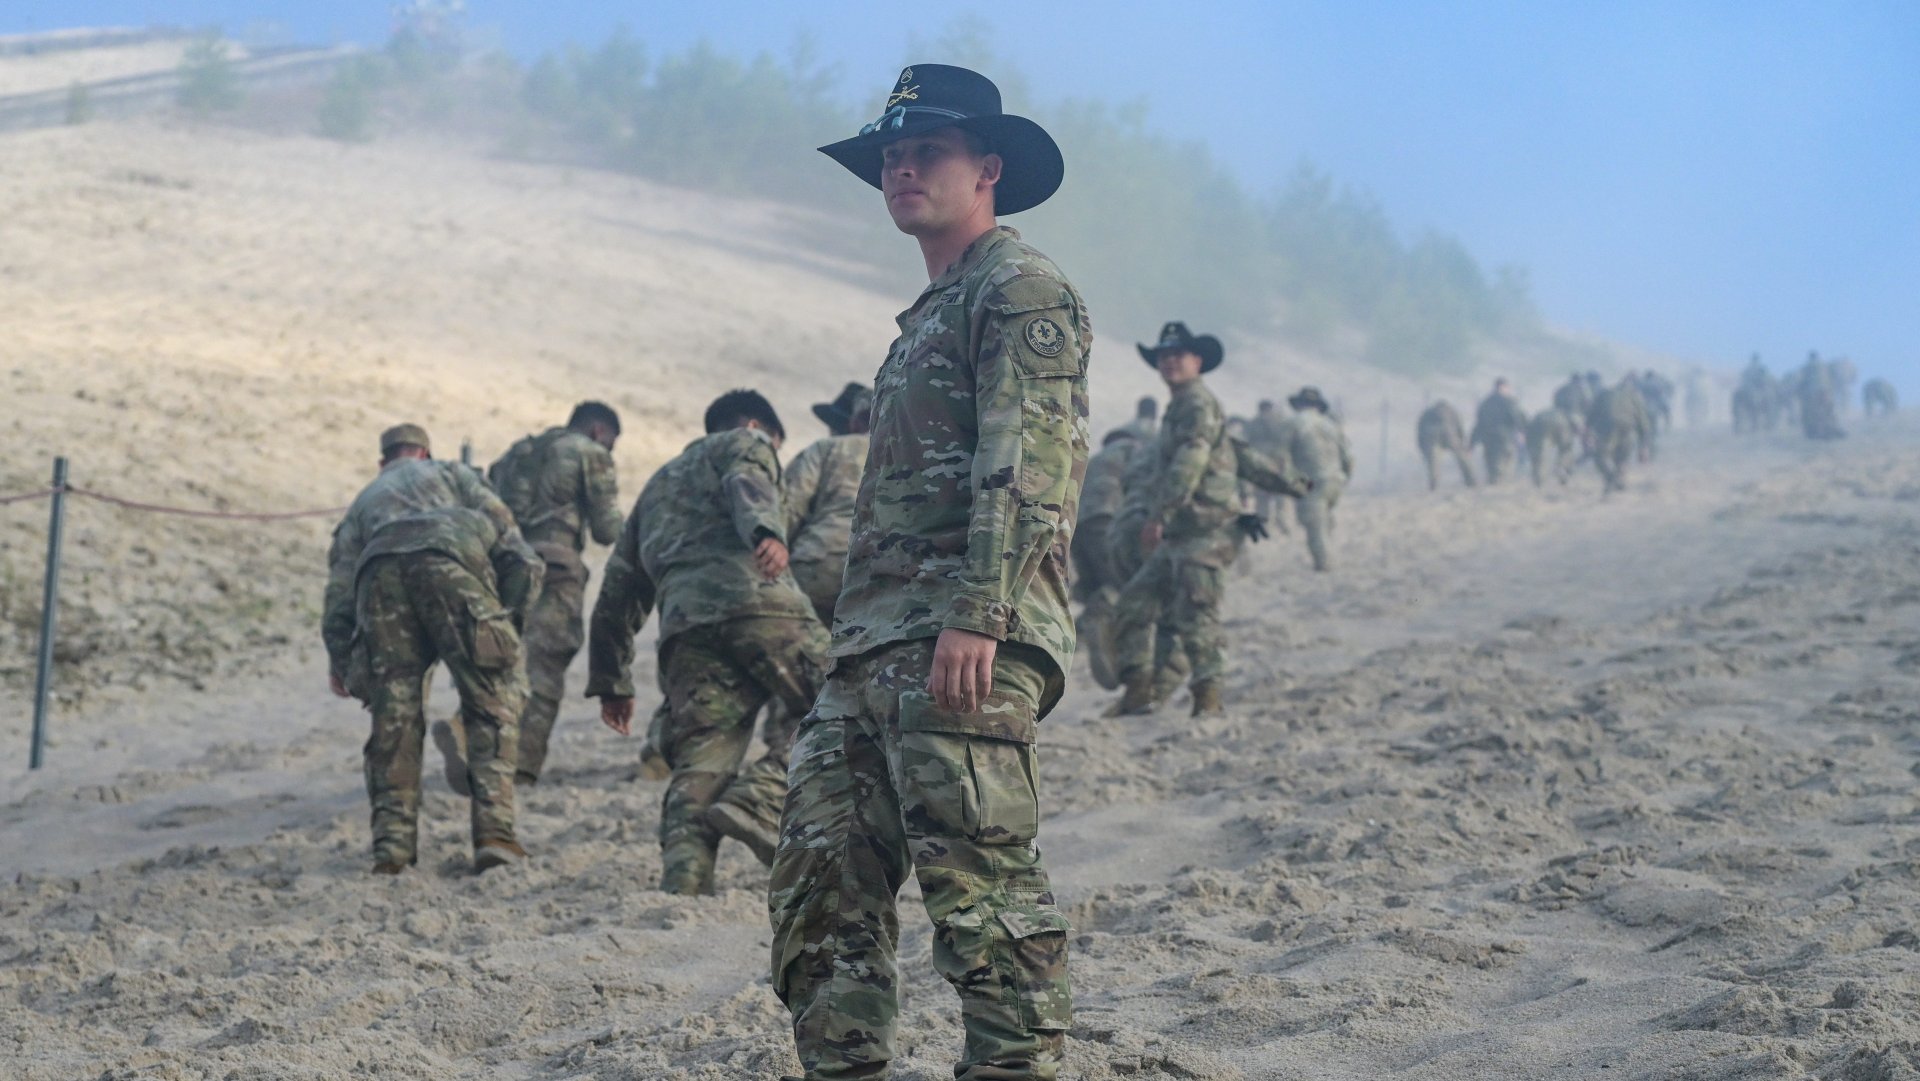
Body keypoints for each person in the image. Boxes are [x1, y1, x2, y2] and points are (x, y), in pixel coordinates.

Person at [771, 64, 1086, 1081]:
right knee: (820, 888)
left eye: (927, 152)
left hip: (961, 640)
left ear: (988, 168)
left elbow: (1030, 464)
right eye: (890, 156)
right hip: (870, 649)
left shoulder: (1018, 288)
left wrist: (980, 614)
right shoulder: (927, 315)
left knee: (979, 888)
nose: (901, 170)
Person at [584, 389, 828, 893]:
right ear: (762, 428)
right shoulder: (747, 441)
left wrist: (612, 678)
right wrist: (766, 529)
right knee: (855, 702)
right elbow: (748, 475)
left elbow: (617, 588)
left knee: (703, 756)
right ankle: (760, 796)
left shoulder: (656, 489)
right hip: (759, 604)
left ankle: (686, 882)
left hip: (685, 628)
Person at [322, 424, 543, 875]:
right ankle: (495, 836)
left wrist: (343, 661)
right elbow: (519, 554)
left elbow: (339, 595)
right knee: (491, 702)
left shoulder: (364, 499)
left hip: (380, 574)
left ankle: (392, 850)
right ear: (424, 452)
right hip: (452, 559)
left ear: (384, 461)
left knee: (395, 720)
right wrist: (507, 626)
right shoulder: (454, 474)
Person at [433, 402, 622, 794]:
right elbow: (606, 529)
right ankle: (518, 770)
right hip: (555, 566)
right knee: (545, 667)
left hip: (504, 568)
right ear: (600, 431)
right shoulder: (590, 452)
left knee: (504, 657)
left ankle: (465, 726)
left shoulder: (515, 455)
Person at [783, 382, 874, 624]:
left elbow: (787, 510)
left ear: (854, 422)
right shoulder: (917, 459)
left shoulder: (826, 449)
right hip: (881, 582)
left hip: (818, 566)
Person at [1073, 422, 1149, 690]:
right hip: (1108, 520)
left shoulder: (1092, 462)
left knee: (1097, 585)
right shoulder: (1133, 449)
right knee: (1123, 583)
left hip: (1077, 528)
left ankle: (1081, 632)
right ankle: (1099, 627)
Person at [1273, 386, 1353, 570]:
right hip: (1335, 480)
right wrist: (1344, 478)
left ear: (1299, 404)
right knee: (1325, 518)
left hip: (1311, 480)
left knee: (1314, 525)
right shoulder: (1331, 425)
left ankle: (1325, 565)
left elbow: (1281, 457)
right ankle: (1328, 555)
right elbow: (1348, 457)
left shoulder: (1293, 423)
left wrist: (1289, 482)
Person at [1587, 377, 1651, 494]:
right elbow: (1643, 423)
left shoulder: (1605, 394)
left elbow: (1592, 415)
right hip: (1628, 428)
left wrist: (1589, 432)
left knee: (1601, 456)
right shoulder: (1634, 397)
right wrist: (1644, 447)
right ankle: (1619, 479)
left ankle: (1611, 478)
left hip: (1608, 428)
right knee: (1622, 457)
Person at [1243, 399, 1293, 531]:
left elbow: (1247, 443)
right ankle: (1279, 518)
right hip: (1275, 461)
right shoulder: (1279, 422)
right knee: (1277, 492)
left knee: (1262, 494)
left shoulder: (1253, 423)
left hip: (1262, 462)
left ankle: (1264, 519)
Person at [1469, 378, 1528, 484]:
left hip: (1487, 439)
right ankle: (1499, 485)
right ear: (1504, 387)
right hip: (1504, 438)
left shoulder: (1485, 403)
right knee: (1505, 463)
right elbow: (1517, 418)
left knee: (1492, 465)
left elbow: (1479, 424)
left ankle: (1494, 484)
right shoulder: (1509, 401)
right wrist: (1522, 432)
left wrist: (1472, 443)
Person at [1415, 399, 1475, 490]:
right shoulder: (1451, 411)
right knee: (1463, 459)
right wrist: (1463, 443)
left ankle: (1433, 486)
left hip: (1433, 438)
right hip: (1450, 435)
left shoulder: (1427, 413)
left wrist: (1422, 447)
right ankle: (1471, 482)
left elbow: (1420, 431)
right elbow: (1459, 427)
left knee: (1434, 464)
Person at [1526, 407, 1577, 487]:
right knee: (1566, 450)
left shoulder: (1542, 414)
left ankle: (1539, 479)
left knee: (1541, 455)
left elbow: (1529, 430)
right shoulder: (1566, 415)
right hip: (1560, 424)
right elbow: (1567, 444)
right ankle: (1561, 468)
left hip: (1540, 425)